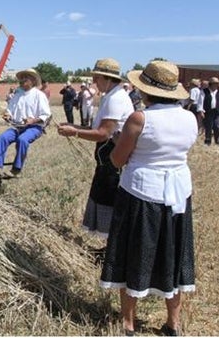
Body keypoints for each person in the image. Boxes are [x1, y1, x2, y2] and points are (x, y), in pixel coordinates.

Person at [101, 60, 197, 336]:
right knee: (173, 254)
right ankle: (173, 323)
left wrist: (119, 145)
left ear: (145, 90)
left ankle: (128, 323)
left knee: (132, 254)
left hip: (142, 193)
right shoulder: (189, 117)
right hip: (178, 194)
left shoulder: (140, 118)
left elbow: (118, 160)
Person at [57, 58, 134, 239]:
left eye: (96, 78)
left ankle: (112, 245)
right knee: (103, 195)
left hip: (112, 158)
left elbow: (104, 133)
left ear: (107, 78)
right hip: (106, 158)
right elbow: (97, 129)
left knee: (109, 199)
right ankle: (109, 245)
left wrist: (74, 132)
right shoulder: (110, 96)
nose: (94, 83)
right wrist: (74, 126)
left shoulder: (116, 99)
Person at [0, 68, 51, 179]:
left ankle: (16, 169)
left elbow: (46, 114)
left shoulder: (39, 95)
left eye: (25, 78)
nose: (22, 80)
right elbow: (10, 110)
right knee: (2, 137)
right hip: (17, 127)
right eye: (22, 78)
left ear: (32, 80)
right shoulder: (17, 95)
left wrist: (33, 120)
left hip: (34, 127)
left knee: (22, 140)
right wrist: (7, 115)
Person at [197, 76, 219, 145]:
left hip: (217, 112)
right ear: (211, 84)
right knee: (208, 126)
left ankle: (217, 141)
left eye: (217, 83)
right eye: (214, 83)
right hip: (208, 112)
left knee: (217, 126)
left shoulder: (218, 92)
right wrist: (201, 111)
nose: (216, 85)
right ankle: (207, 141)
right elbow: (200, 101)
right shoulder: (204, 91)